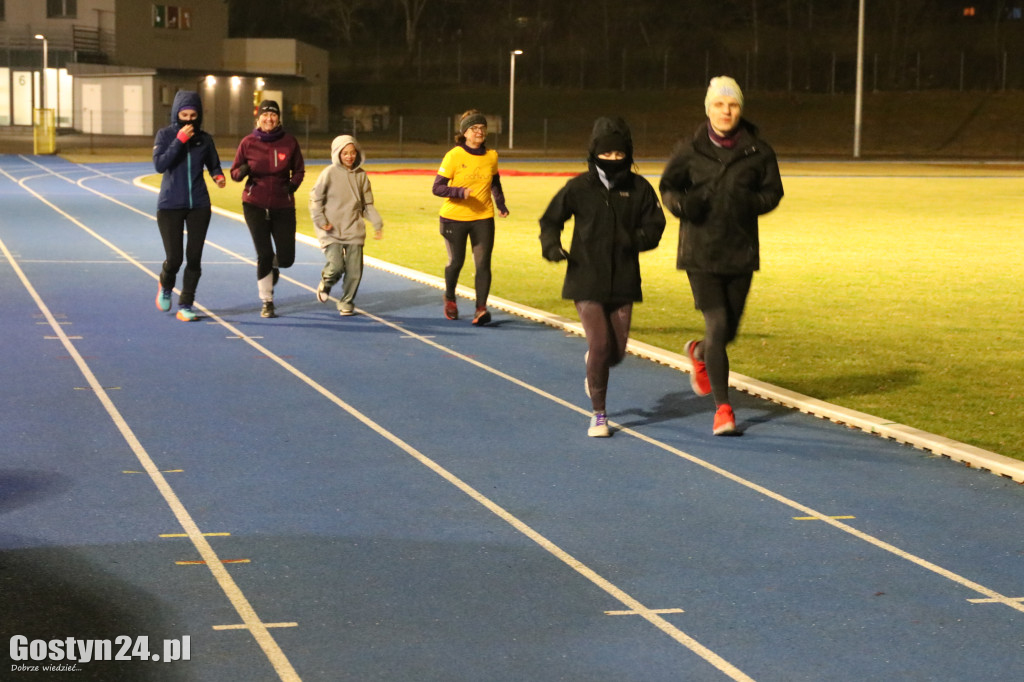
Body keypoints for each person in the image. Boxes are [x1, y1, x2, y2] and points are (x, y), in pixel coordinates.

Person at [659, 76, 784, 436]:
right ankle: (723, 409)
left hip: (741, 251)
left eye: (732, 105)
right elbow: (668, 186)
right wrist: (682, 205)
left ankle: (699, 353)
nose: (726, 111)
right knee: (717, 325)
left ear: (740, 109)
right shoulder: (690, 148)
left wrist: (751, 203)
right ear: (708, 108)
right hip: (700, 252)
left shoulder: (759, 151)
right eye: (719, 104)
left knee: (727, 332)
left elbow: (772, 193)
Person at [539, 117, 665, 437]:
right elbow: (551, 219)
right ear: (594, 153)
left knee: (616, 352)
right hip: (586, 278)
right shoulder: (579, 187)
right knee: (600, 342)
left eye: (618, 155)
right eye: (605, 155)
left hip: (624, 279)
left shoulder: (640, 189)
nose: (611, 160)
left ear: (628, 155)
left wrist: (632, 241)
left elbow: (655, 227)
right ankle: (599, 414)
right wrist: (551, 246)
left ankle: (596, 361)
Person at [152, 90, 225, 321]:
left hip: (199, 205)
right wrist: (179, 141)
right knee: (175, 258)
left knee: (194, 257)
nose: (189, 119)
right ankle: (165, 284)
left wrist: (218, 176)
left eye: (193, 115)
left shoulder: (205, 139)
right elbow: (160, 165)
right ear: (176, 113)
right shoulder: (164, 135)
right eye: (184, 114)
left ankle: (186, 304)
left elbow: (213, 164)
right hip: (170, 205)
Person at [432, 109, 509, 325]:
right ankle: (450, 298)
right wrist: (460, 192)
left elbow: (495, 182)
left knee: (483, 264)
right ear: (465, 133)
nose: (479, 132)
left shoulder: (491, 156)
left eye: (483, 128)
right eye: (474, 128)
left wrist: (500, 204)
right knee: (456, 262)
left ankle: (481, 310)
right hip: (453, 218)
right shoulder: (454, 155)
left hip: (483, 217)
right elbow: (437, 188)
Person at [230, 100, 305, 318]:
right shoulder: (248, 142)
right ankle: (267, 301)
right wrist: (244, 170)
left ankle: (273, 267)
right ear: (258, 119)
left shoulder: (289, 142)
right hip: (254, 204)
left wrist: (291, 186)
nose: (269, 119)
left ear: (279, 119)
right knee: (264, 254)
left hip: (283, 205)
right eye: (265, 115)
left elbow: (299, 170)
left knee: (286, 259)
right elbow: (234, 173)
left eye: (273, 115)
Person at [309, 135, 383, 316]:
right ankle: (326, 282)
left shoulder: (362, 176)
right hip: (330, 229)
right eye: (345, 153)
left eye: (352, 152)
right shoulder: (328, 173)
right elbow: (315, 199)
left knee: (354, 271)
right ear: (337, 154)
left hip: (353, 229)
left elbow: (367, 205)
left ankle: (347, 302)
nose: (349, 156)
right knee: (336, 266)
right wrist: (321, 220)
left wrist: (377, 224)